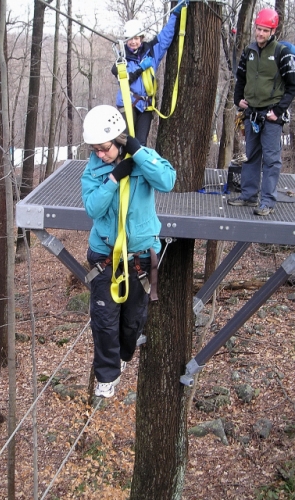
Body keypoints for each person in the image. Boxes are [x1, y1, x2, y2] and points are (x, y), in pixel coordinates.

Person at [81, 105, 176, 398]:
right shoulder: (95, 170)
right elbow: (92, 208)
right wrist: (113, 179)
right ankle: (106, 377)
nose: (100, 154)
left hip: (139, 257)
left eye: (105, 148)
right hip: (106, 256)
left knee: (133, 320)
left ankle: (124, 355)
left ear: (119, 140)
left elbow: (167, 181)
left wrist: (139, 153)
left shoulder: (141, 160)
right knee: (105, 321)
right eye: (95, 149)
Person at [228, 8, 295, 216]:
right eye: (258, 29)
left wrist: (278, 110)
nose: (260, 34)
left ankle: (267, 201)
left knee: (272, 159)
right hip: (252, 113)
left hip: (271, 115)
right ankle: (248, 196)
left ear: (272, 31)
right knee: (251, 156)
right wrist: (238, 100)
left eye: (265, 30)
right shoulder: (249, 52)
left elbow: (292, 85)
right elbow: (241, 78)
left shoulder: (281, 53)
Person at [111, 0, 186, 146]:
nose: (133, 42)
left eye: (136, 38)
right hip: (127, 103)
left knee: (140, 144)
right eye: (130, 39)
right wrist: (140, 68)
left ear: (141, 38)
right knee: (125, 142)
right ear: (126, 40)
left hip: (145, 105)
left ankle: (139, 168)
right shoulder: (121, 59)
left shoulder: (151, 52)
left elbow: (166, 36)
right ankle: (122, 167)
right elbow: (124, 80)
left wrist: (176, 14)